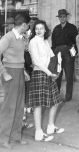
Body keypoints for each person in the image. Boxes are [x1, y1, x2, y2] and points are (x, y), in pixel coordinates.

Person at [28, 20, 64, 142]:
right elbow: (36, 61)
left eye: (41, 28)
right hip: (39, 73)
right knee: (38, 104)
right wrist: (50, 73)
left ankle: (50, 127)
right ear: (34, 30)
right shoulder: (33, 42)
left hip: (49, 73)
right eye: (36, 28)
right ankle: (39, 132)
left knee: (55, 101)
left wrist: (57, 70)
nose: (39, 30)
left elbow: (52, 56)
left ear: (45, 30)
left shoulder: (45, 42)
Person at [0, 14, 31, 149]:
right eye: (28, 24)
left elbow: (19, 57)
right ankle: (3, 138)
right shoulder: (8, 37)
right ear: (23, 25)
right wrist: (4, 73)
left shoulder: (21, 38)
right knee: (9, 106)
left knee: (19, 105)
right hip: (9, 73)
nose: (29, 27)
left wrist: (23, 71)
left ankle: (15, 136)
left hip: (19, 72)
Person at [51, 9, 78, 102]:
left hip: (68, 52)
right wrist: (52, 54)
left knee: (69, 75)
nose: (62, 18)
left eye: (64, 16)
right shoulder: (56, 28)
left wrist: (75, 53)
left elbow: (76, 41)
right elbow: (53, 43)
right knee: (58, 74)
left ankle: (68, 96)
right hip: (57, 52)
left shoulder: (72, 28)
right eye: (60, 17)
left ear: (66, 17)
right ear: (58, 18)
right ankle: (57, 95)